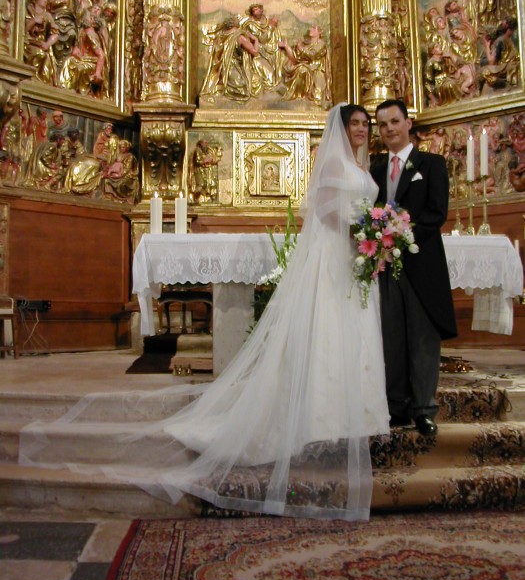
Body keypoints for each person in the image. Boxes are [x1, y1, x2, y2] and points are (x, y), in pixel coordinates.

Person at [20, 104, 389, 521]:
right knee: (328, 332)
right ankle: (320, 417)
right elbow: (323, 210)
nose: (360, 130)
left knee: (349, 332)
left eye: (364, 124)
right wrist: (364, 228)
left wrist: (371, 233)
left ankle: (350, 412)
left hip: (355, 261)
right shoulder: (335, 166)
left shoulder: (363, 165)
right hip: (338, 258)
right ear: (341, 128)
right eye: (354, 124)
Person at [372, 99, 457, 437]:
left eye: (395, 121)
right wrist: (379, 239)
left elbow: (437, 212)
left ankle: (424, 409)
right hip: (384, 264)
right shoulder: (375, 169)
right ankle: (395, 406)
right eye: (382, 124)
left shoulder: (431, 163)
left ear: (408, 123)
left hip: (421, 263)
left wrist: (401, 235)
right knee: (390, 336)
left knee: (422, 338)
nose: (389, 128)